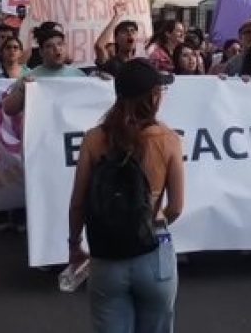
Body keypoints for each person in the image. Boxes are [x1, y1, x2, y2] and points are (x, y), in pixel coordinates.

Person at [66, 59, 183, 332]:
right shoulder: (168, 140)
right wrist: (148, 224)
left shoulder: (94, 139)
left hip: (107, 256)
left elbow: (78, 203)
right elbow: (176, 207)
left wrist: (74, 244)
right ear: (154, 96)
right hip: (153, 255)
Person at [95, 4, 138, 77]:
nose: (129, 33)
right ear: (116, 39)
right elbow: (99, 46)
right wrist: (117, 16)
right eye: (124, 31)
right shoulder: (110, 63)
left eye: (133, 31)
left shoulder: (140, 64)